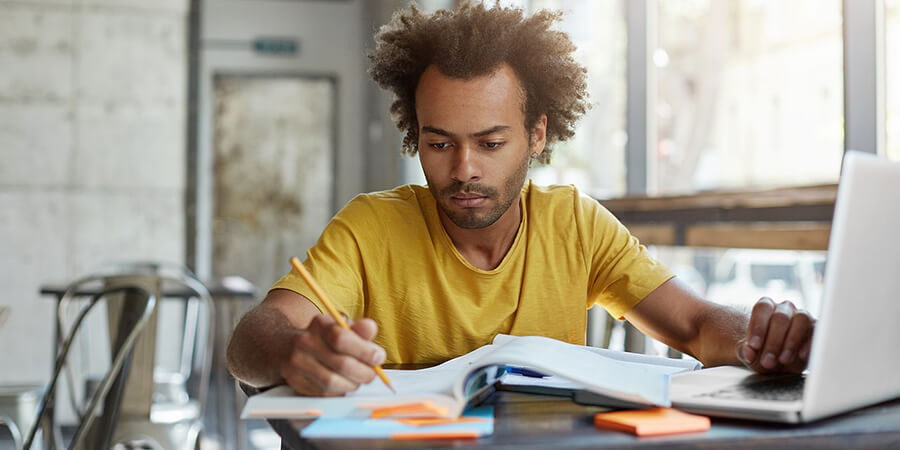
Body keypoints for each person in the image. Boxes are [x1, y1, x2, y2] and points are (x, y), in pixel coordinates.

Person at [226, 3, 815, 397]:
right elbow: (254, 337)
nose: (464, 170)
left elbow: (696, 325)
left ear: (537, 134)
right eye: (439, 143)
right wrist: (295, 351)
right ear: (416, 134)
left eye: (490, 142)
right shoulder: (371, 227)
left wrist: (759, 337)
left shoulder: (576, 225)